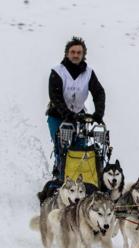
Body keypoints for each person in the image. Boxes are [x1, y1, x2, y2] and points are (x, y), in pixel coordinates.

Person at [46, 36, 105, 176]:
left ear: (83, 55)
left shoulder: (88, 73)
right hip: (57, 116)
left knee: (80, 148)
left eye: (79, 52)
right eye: (73, 52)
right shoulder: (57, 71)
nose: (75, 55)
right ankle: (60, 177)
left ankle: (80, 180)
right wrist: (67, 114)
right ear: (67, 53)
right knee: (62, 147)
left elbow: (98, 92)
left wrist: (98, 114)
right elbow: (55, 96)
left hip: (79, 115)